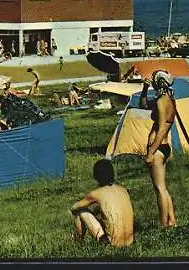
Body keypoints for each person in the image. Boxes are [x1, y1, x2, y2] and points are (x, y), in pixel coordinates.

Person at [140, 70, 176, 228]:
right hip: (164, 147)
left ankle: (163, 226)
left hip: (157, 149)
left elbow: (161, 130)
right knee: (163, 188)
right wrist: (144, 89)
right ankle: (172, 221)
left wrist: (150, 153)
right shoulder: (170, 100)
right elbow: (144, 105)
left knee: (159, 189)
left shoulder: (162, 101)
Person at [70, 159, 134, 247]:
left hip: (111, 244)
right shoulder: (123, 190)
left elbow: (74, 207)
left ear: (96, 176)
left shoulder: (96, 193)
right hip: (130, 242)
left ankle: (78, 241)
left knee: (79, 211)